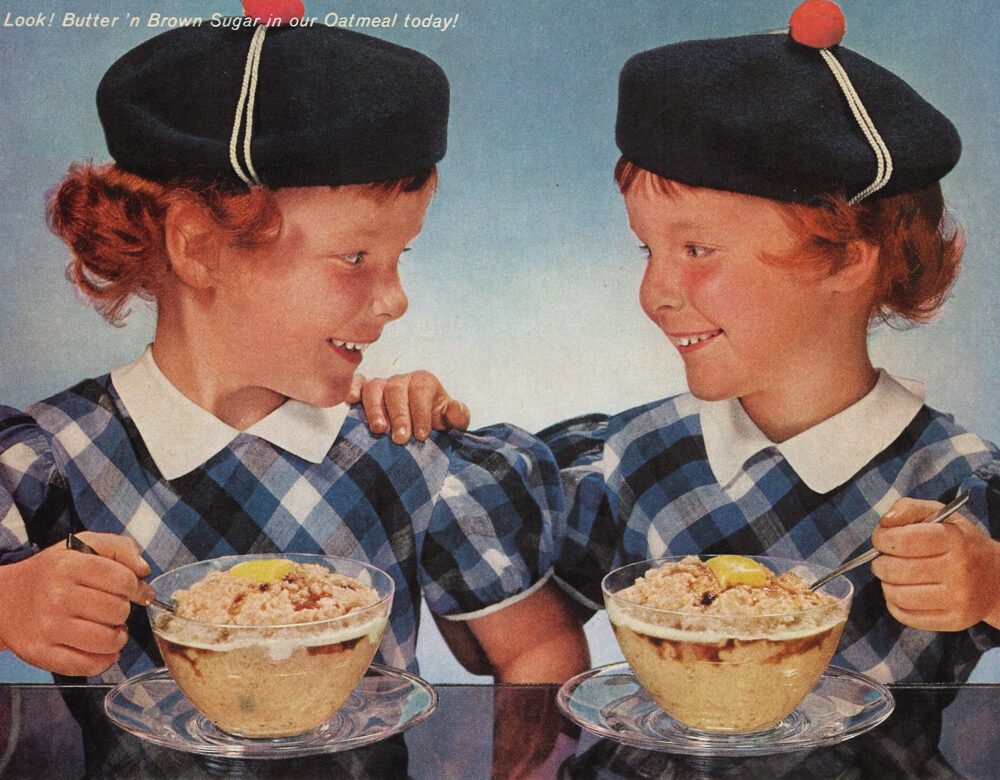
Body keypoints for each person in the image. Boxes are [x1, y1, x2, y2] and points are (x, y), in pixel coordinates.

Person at [379, 1, 1000, 684]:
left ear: (850, 258)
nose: (655, 293)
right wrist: (427, 451)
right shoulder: (640, 457)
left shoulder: (958, 484)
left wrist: (992, 586)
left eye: (698, 248)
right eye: (647, 249)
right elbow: (487, 648)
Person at [0, 13, 588, 697]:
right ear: (197, 247)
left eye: (401, 258)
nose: (396, 301)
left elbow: (540, 647)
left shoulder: (401, 454)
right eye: (355, 258)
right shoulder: (51, 457)